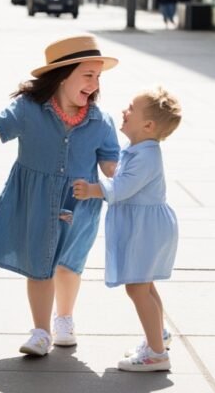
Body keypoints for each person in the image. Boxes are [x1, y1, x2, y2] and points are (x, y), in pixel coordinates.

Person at [0, 35, 120, 357]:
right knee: (40, 266)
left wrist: (132, 169)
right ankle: (40, 331)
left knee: (69, 266)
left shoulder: (101, 121)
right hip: (36, 202)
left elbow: (110, 166)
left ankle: (64, 319)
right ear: (63, 75)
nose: (94, 84)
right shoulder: (28, 109)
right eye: (88, 75)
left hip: (80, 206)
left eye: (98, 77)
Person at [73, 87, 181, 372]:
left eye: (131, 108)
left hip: (146, 230)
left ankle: (157, 354)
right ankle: (158, 335)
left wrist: (93, 189)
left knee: (137, 288)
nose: (124, 110)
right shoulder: (139, 150)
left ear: (148, 125)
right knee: (145, 285)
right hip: (147, 227)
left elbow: (123, 188)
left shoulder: (146, 156)